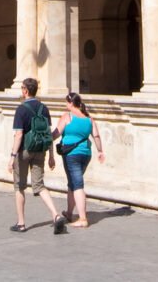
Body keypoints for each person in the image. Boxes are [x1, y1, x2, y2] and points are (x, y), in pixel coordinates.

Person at [7, 77, 64, 234]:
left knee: (19, 186)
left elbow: (19, 135)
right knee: (39, 185)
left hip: (24, 150)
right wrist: (51, 155)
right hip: (40, 150)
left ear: (25, 90)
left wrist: (12, 157)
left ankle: (21, 223)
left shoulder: (21, 109)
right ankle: (56, 215)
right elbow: (47, 133)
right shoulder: (43, 108)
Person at [53, 92, 104, 227]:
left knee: (78, 185)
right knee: (73, 182)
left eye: (66, 103)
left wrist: (45, 139)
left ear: (70, 103)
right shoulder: (89, 119)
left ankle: (82, 219)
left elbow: (56, 133)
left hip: (71, 154)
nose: (66, 105)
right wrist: (100, 151)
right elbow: (96, 136)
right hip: (85, 154)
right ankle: (69, 213)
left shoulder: (67, 117)